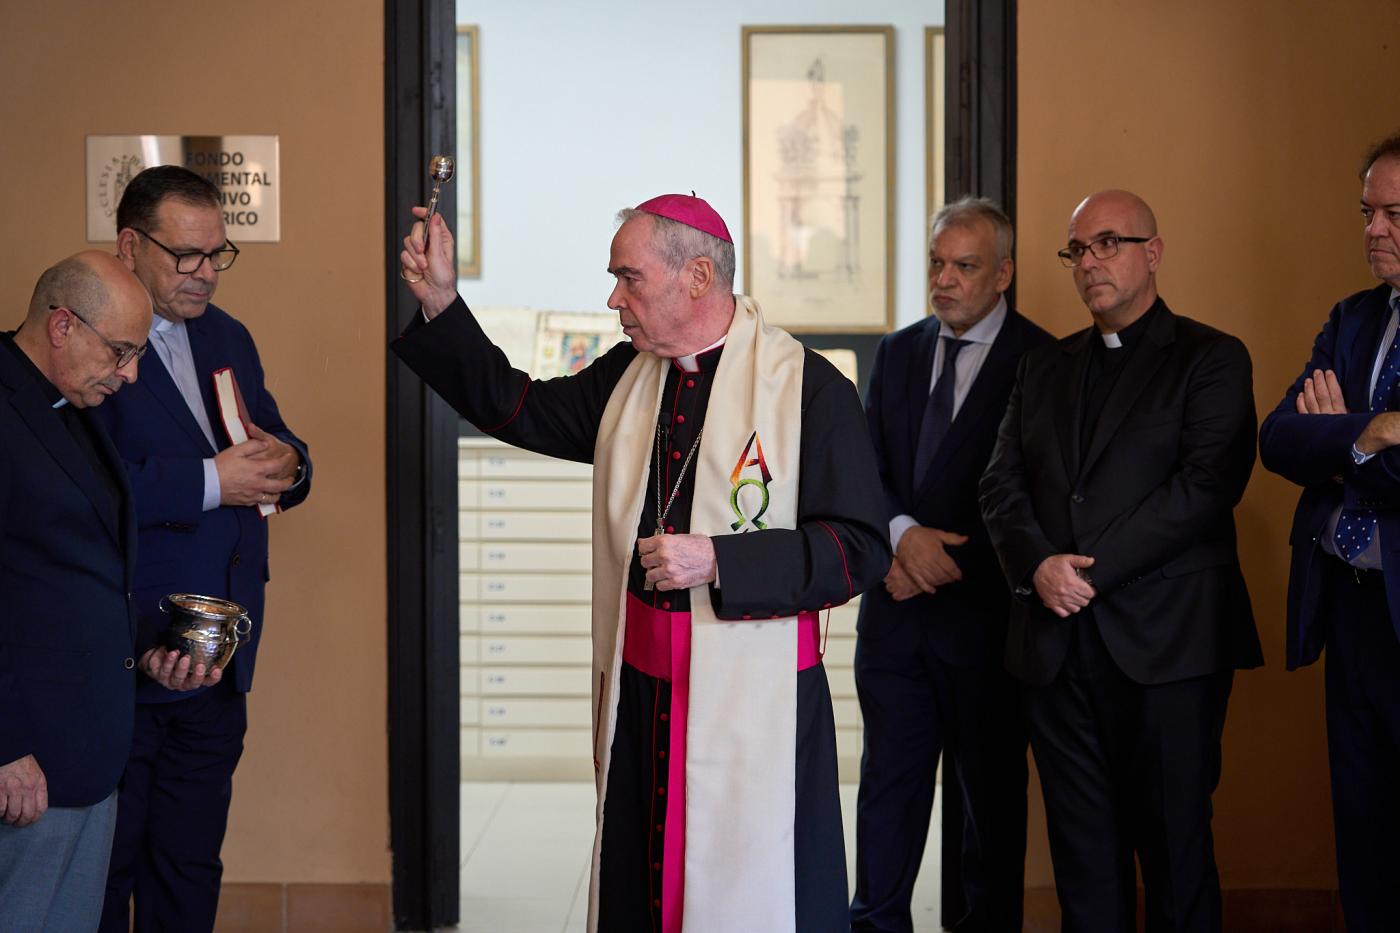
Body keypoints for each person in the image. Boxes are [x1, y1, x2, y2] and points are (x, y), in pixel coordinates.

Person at [393, 194, 889, 932]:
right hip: (648, 689)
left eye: (629, 278)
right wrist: (443, 302)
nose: (612, 298)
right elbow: (517, 406)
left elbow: (860, 549)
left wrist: (720, 558)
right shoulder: (634, 374)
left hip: (754, 700)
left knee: (755, 886)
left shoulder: (810, 390)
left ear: (696, 277)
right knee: (643, 882)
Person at [979, 190, 1262, 931]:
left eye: (1110, 242)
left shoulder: (1212, 357)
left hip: (1169, 646)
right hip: (1055, 650)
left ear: (1153, 251)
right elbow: (999, 484)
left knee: (1176, 857)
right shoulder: (1042, 366)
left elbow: (1205, 489)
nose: (1091, 262)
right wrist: (1039, 565)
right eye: (1078, 249)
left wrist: (1084, 573)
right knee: (1084, 865)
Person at [93, 165, 312, 933]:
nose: (207, 273)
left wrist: (292, 464)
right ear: (129, 246)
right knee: (106, 869)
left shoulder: (227, 336)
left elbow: (273, 441)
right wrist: (213, 481)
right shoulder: (89, 336)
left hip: (218, 657)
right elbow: (85, 490)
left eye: (218, 253)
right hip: (126, 656)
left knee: (189, 866)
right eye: (186, 255)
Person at [851, 197, 1050, 933]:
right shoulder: (898, 353)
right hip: (896, 621)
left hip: (988, 629)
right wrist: (903, 537)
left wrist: (939, 555)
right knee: (887, 797)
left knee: (989, 812)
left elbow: (1035, 494)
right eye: (936, 262)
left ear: (1003, 273)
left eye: (964, 266)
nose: (945, 279)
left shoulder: (1044, 359)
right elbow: (865, 467)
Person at [1258, 130, 1400, 930]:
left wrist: (1339, 443)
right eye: (1366, 211)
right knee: (1363, 830)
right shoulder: (1352, 319)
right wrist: (1372, 432)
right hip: (1347, 607)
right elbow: (1278, 437)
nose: (1372, 229)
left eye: (1392, 214)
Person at [0, 252, 161, 928]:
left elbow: (80, 561)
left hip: (89, 755)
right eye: (120, 351)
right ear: (63, 324)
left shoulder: (74, 401)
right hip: (24, 764)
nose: (128, 373)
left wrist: (150, 647)